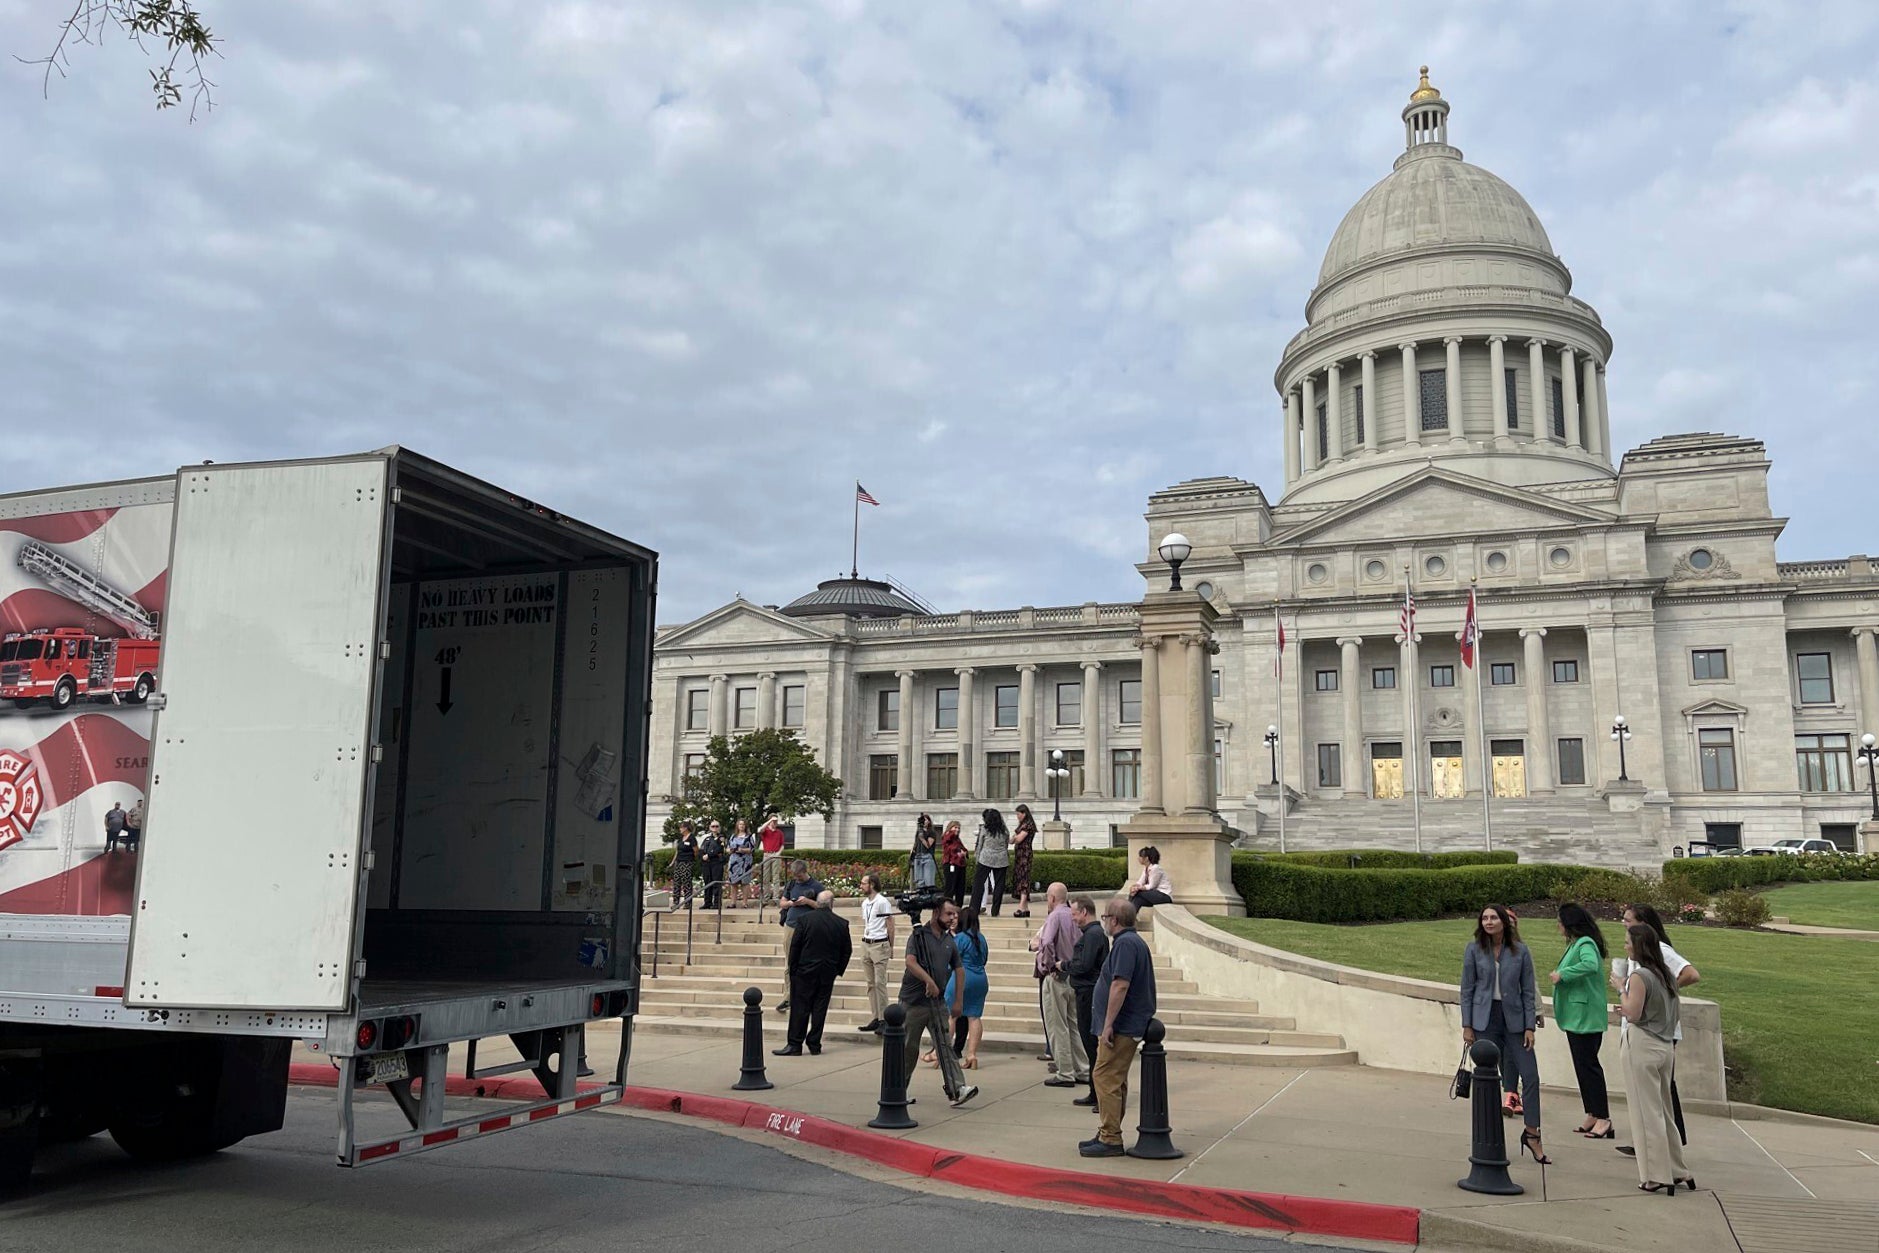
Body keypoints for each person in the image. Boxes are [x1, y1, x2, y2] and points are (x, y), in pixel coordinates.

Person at [1460, 904, 1547, 1165]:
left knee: (1530, 1076)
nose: (1488, 922)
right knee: (1486, 1079)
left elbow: (1528, 990)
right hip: (1485, 1019)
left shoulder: (1520, 951)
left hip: (1516, 1020)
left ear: (1503, 922)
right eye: (1484, 918)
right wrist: (1467, 1025)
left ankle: (1532, 1134)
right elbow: (1467, 989)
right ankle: (1486, 1138)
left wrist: (1529, 1026)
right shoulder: (1474, 949)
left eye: (1493, 917)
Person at [1616, 903, 1700, 1155]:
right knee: (1655, 1093)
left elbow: (1691, 974)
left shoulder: (1661, 950)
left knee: (1658, 1094)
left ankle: (1662, 1145)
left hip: (1655, 1032)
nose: (1624, 923)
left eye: (1628, 920)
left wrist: (1663, 991)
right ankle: (1652, 1142)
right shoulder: (1639, 957)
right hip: (1643, 1028)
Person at [1082, 898, 1156, 1157]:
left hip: (1122, 1025)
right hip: (1126, 1023)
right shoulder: (1131, 942)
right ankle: (1107, 1130)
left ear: (1114, 920)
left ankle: (1111, 1137)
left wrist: (1108, 1024)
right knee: (1114, 1078)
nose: (1103, 922)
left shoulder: (1125, 944)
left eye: (1104, 918)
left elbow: (1120, 985)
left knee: (1104, 1076)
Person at [900, 898, 979, 1109]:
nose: (954, 918)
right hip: (914, 1002)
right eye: (949, 914)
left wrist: (958, 1001)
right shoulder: (919, 935)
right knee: (909, 1048)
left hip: (938, 1002)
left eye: (955, 914)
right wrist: (928, 981)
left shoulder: (948, 939)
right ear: (936, 913)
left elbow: (959, 969)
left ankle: (957, 1089)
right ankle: (897, 1091)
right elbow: (910, 961)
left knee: (945, 1045)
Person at [1549, 902, 1613, 1139]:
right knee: (1582, 1066)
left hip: (1584, 1016)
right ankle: (1593, 1112)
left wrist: (1562, 975)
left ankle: (1603, 1117)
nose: (1558, 927)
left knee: (1589, 1066)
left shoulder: (1585, 943)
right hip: (1577, 1017)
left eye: (1560, 922)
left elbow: (1590, 964)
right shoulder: (1578, 943)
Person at [774, 891, 851, 1057]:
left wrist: (793, 968)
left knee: (800, 1007)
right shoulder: (841, 923)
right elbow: (847, 951)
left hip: (804, 970)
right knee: (819, 1008)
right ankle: (814, 1043)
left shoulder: (805, 920)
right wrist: (838, 970)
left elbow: (795, 946)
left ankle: (795, 1043)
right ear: (831, 903)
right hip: (827, 971)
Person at [1033, 882, 1088, 1089]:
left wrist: (1047, 966)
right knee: (1074, 1024)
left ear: (1052, 898)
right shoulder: (1074, 916)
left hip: (1057, 975)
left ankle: (1065, 1072)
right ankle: (1082, 1068)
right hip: (1073, 974)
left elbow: (1046, 943)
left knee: (1057, 1025)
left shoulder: (1054, 916)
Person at [1063, 894, 1109, 1109]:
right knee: (1089, 1044)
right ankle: (1094, 1091)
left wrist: (1064, 966)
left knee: (1092, 1044)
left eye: (1074, 914)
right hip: (1086, 991)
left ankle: (1100, 1094)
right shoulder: (1092, 934)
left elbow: (1084, 965)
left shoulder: (1093, 935)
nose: (1073, 919)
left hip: (1089, 993)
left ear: (1084, 912)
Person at [775, 861, 825, 1012]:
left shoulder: (817, 886)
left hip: (809, 928)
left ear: (805, 872)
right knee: (789, 963)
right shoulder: (791, 885)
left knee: (807, 962)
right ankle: (789, 997)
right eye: (795, 876)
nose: (797, 878)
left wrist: (808, 901)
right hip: (791, 926)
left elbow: (824, 907)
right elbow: (782, 903)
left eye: (799, 876)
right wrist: (790, 903)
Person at [946, 906, 991, 1069]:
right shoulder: (981, 938)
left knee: (951, 1016)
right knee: (974, 1016)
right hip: (980, 978)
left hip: (961, 978)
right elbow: (985, 959)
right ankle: (971, 1054)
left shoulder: (960, 938)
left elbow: (951, 960)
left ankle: (944, 1052)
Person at [855, 873, 898, 1033]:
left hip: (879, 944)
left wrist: (891, 946)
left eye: (863, 883)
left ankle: (883, 1019)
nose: (861, 886)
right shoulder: (865, 903)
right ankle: (875, 1017)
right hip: (866, 942)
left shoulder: (882, 902)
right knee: (870, 983)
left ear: (871, 884)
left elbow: (890, 924)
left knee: (880, 983)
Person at [972, 808, 1010, 916]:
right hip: (1001, 859)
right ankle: (995, 910)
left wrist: (977, 858)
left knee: (978, 885)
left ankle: (974, 908)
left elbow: (980, 844)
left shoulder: (984, 829)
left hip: (985, 858)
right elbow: (1006, 843)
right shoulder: (1004, 830)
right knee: (999, 886)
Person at [1010, 804, 1038, 918]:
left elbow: (1019, 838)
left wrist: (1011, 839)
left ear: (1024, 813)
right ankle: (1025, 907)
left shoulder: (1028, 825)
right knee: (1020, 877)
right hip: (1020, 854)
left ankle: (1021, 906)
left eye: (1018, 814)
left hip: (1025, 854)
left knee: (1024, 878)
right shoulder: (1023, 824)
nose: (1017, 816)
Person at [757, 813, 787, 904]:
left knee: (776, 877)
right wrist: (770, 821)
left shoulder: (779, 832)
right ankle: (766, 897)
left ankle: (776, 897)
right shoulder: (765, 831)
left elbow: (782, 845)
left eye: (776, 821)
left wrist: (778, 853)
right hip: (766, 854)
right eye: (773, 821)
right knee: (765, 877)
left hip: (775, 855)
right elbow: (759, 830)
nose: (775, 823)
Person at [726, 819, 755, 907]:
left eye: (743, 824)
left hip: (745, 862)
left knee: (745, 882)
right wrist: (729, 851)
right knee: (733, 882)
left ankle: (744, 903)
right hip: (734, 861)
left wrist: (742, 850)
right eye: (740, 824)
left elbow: (752, 849)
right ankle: (733, 903)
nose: (741, 826)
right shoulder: (733, 836)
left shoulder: (749, 837)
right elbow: (727, 847)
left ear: (745, 826)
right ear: (737, 826)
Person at [699, 820, 728, 910]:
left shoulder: (721, 838)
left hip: (716, 863)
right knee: (707, 883)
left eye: (716, 826)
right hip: (707, 864)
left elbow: (719, 849)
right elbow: (702, 849)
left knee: (716, 883)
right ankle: (707, 902)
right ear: (710, 828)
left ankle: (716, 903)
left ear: (719, 827)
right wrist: (703, 856)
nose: (715, 828)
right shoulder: (707, 839)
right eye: (713, 826)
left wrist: (709, 855)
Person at [670, 821, 698, 910]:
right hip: (679, 862)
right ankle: (676, 902)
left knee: (686, 882)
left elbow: (696, 850)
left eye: (681, 827)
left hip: (687, 862)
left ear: (686, 828)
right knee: (677, 882)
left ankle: (688, 903)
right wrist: (673, 862)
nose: (680, 829)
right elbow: (677, 851)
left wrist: (692, 859)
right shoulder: (680, 839)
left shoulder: (692, 838)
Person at [940, 820, 968, 907]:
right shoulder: (947, 837)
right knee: (950, 887)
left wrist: (964, 853)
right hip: (950, 863)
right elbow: (949, 847)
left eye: (958, 828)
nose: (957, 830)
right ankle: (947, 905)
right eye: (955, 827)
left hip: (960, 864)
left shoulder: (958, 840)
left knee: (960, 888)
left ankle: (958, 906)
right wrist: (951, 832)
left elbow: (964, 849)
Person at [909, 814, 939, 893]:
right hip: (918, 857)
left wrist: (922, 838)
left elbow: (928, 846)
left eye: (925, 820)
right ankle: (921, 898)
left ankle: (930, 898)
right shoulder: (918, 831)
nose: (924, 822)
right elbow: (916, 843)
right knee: (920, 882)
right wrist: (912, 851)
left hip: (927, 857)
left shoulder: (931, 832)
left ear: (929, 821)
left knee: (928, 881)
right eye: (922, 820)